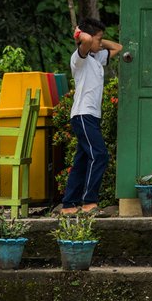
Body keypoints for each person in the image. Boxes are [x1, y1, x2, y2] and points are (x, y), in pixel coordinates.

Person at [60, 18, 124, 215]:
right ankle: (89, 202)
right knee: (99, 155)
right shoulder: (79, 59)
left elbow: (118, 47)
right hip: (83, 115)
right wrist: (81, 35)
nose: (99, 42)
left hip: (91, 117)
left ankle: (69, 205)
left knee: (81, 161)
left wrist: (100, 40)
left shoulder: (97, 59)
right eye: (98, 39)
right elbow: (87, 42)